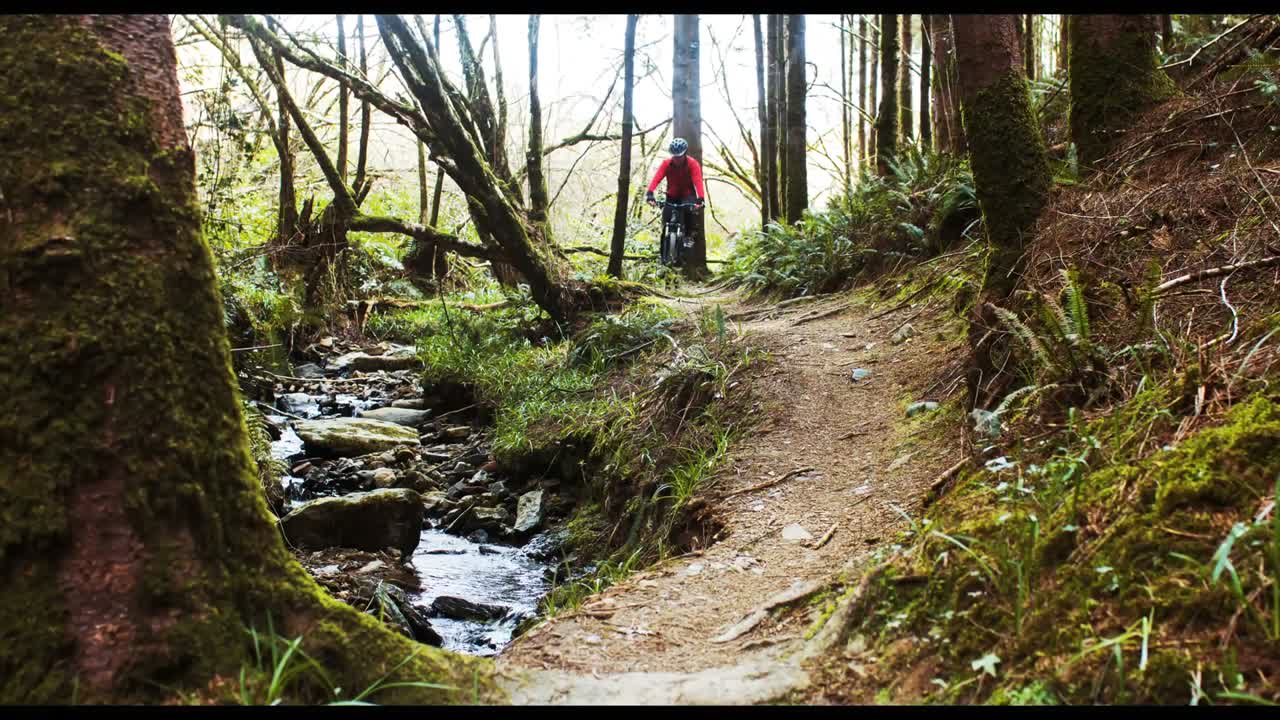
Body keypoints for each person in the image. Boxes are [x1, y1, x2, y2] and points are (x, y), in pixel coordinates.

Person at [645, 138, 706, 262]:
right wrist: (650, 193)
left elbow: (698, 181)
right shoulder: (666, 164)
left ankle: (688, 236)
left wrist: (700, 198)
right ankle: (664, 254)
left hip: (687, 195)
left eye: (679, 156)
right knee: (666, 219)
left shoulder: (692, 164)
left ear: (684, 154)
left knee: (689, 212)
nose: (676, 159)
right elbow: (657, 178)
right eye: (674, 156)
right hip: (672, 195)